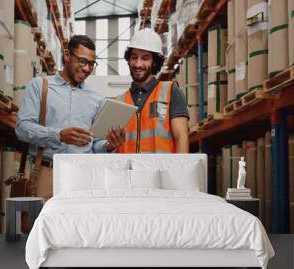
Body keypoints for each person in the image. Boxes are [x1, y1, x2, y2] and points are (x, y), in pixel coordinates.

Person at [15, 35, 125, 200]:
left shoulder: (96, 98)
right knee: (44, 225)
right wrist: (59, 135)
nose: (87, 69)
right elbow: (22, 128)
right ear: (67, 55)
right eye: (82, 61)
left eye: (91, 64)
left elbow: (94, 145)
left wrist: (109, 146)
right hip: (47, 174)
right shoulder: (40, 86)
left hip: (84, 177)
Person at [116, 28, 189, 153]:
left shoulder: (171, 92)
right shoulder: (119, 101)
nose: (138, 64)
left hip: (161, 171)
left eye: (145, 58)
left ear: (154, 61)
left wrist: (178, 172)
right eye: (134, 57)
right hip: (128, 171)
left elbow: (181, 138)